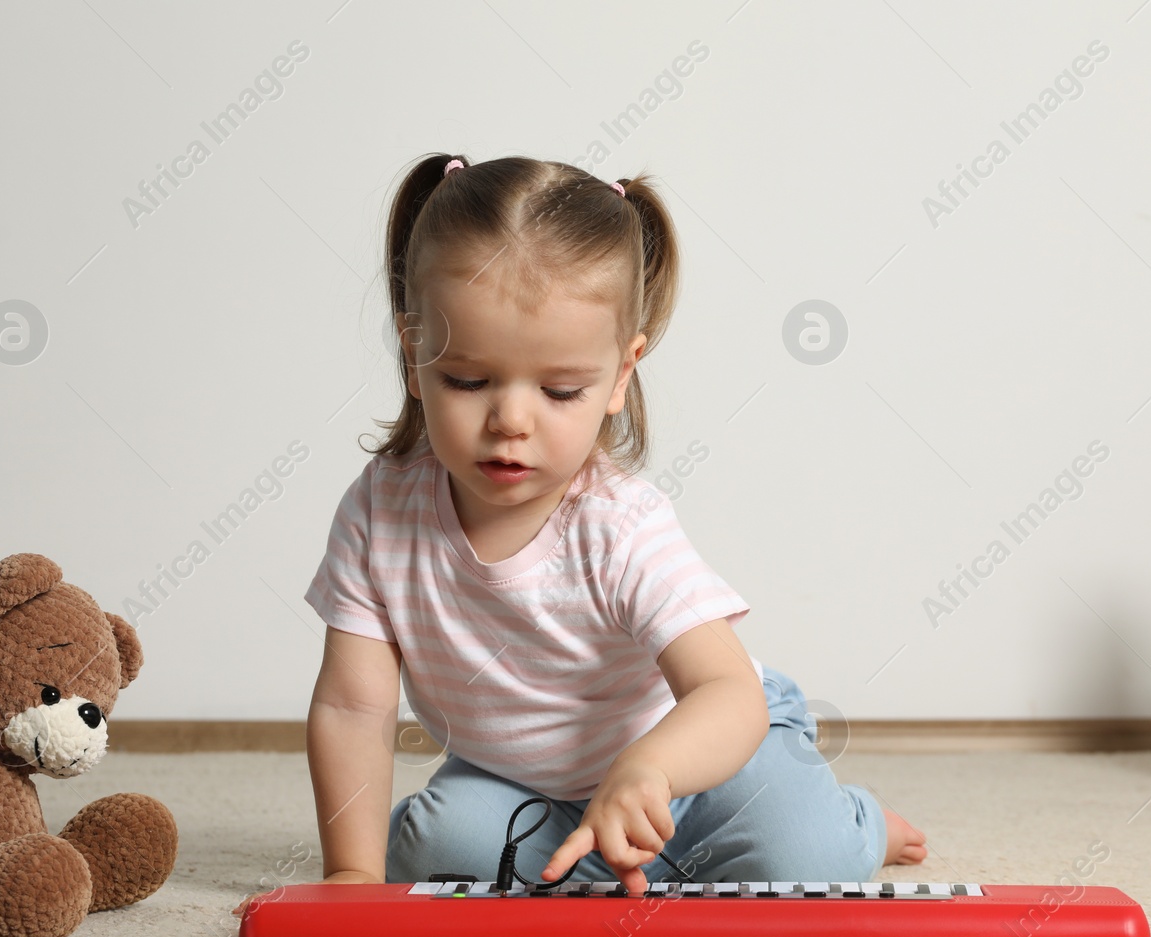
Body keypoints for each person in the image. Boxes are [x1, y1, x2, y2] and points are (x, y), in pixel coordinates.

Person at [294, 153, 924, 897]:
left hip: (703, 760)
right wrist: (351, 870)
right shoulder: (380, 513)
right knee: (436, 853)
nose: (511, 421)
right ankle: (618, 856)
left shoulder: (618, 524)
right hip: (530, 783)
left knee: (805, 859)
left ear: (620, 376)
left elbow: (728, 693)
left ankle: (857, 823)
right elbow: (352, 704)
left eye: (561, 389)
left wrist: (648, 768)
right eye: (468, 380)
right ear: (414, 354)